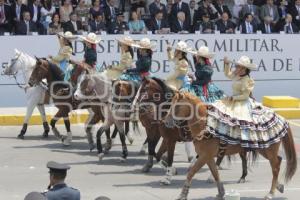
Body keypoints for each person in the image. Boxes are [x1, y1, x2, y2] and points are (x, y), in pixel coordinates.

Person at [206, 55, 289, 149]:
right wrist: (226, 64)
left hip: (242, 102)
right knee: (223, 116)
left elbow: (245, 96)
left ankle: (241, 142)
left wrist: (234, 98)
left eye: (238, 66)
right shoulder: (237, 75)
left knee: (238, 119)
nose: (236, 68)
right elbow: (227, 75)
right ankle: (226, 139)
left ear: (244, 69)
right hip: (233, 100)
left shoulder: (247, 80)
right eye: (237, 66)